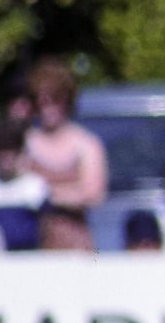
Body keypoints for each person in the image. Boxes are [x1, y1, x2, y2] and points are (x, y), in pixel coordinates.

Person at [22, 59, 108, 251]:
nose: (47, 106)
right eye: (41, 100)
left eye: (55, 99)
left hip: (76, 239)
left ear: (67, 100)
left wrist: (46, 195)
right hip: (34, 240)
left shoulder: (86, 144)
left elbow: (93, 194)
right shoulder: (26, 143)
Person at [0, 120, 46, 251]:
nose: (6, 159)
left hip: (30, 259)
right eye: (0, 153)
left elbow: (46, 228)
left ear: (20, 152)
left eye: (11, 152)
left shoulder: (35, 186)